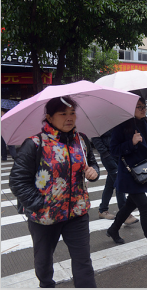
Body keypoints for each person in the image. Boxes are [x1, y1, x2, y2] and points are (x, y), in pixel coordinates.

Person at [9, 96, 100, 288]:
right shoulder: (34, 144)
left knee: (83, 262)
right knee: (43, 261)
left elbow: (91, 163)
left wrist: (94, 172)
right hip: (45, 218)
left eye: (72, 113)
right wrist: (40, 205)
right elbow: (17, 181)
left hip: (77, 213)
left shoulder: (81, 140)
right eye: (63, 114)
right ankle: (46, 284)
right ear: (49, 118)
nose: (70, 118)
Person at [107, 96, 147, 262]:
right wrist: (131, 143)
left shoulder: (146, 122)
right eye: (139, 107)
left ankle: (113, 229)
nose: (143, 109)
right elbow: (113, 150)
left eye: (145, 106)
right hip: (129, 174)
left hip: (145, 171)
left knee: (129, 205)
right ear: (130, 108)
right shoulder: (122, 125)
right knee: (145, 207)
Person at [91, 130, 139, 225]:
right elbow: (95, 138)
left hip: (117, 154)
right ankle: (125, 214)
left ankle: (102, 210)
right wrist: (105, 154)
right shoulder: (98, 121)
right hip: (108, 156)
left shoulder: (113, 119)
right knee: (119, 182)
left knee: (110, 184)